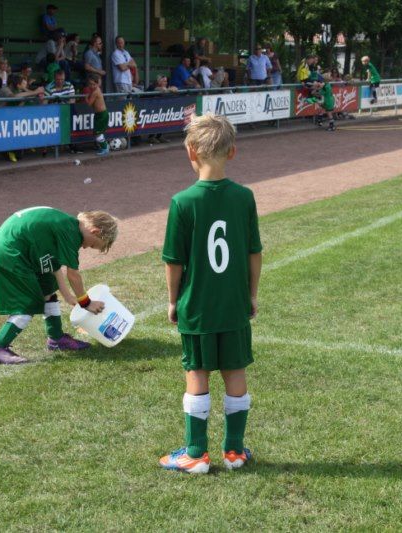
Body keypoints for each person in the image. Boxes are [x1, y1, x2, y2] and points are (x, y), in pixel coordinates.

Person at [159, 114, 262, 474]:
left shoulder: (182, 202)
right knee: (235, 370)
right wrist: (251, 295)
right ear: (232, 152)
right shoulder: (244, 197)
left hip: (197, 305)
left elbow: (174, 261)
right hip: (234, 303)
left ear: (190, 151)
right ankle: (234, 452)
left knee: (197, 371)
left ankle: (196, 453)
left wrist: (173, 300)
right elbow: (253, 252)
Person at [0, 207, 119, 364]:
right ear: (94, 231)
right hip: (12, 253)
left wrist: (68, 296)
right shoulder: (72, 233)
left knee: (48, 291)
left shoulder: (68, 225)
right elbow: (73, 274)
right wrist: (86, 302)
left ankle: (56, 339)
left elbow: (54, 265)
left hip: (23, 249)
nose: (86, 247)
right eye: (93, 244)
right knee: (29, 304)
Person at [85, 75, 110, 156]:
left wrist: (86, 97)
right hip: (99, 114)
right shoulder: (96, 90)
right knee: (98, 133)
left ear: (97, 84)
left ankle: (105, 148)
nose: (92, 86)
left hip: (102, 115)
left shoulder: (95, 92)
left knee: (98, 134)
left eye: (94, 84)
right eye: (90, 84)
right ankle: (104, 147)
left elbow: (89, 104)